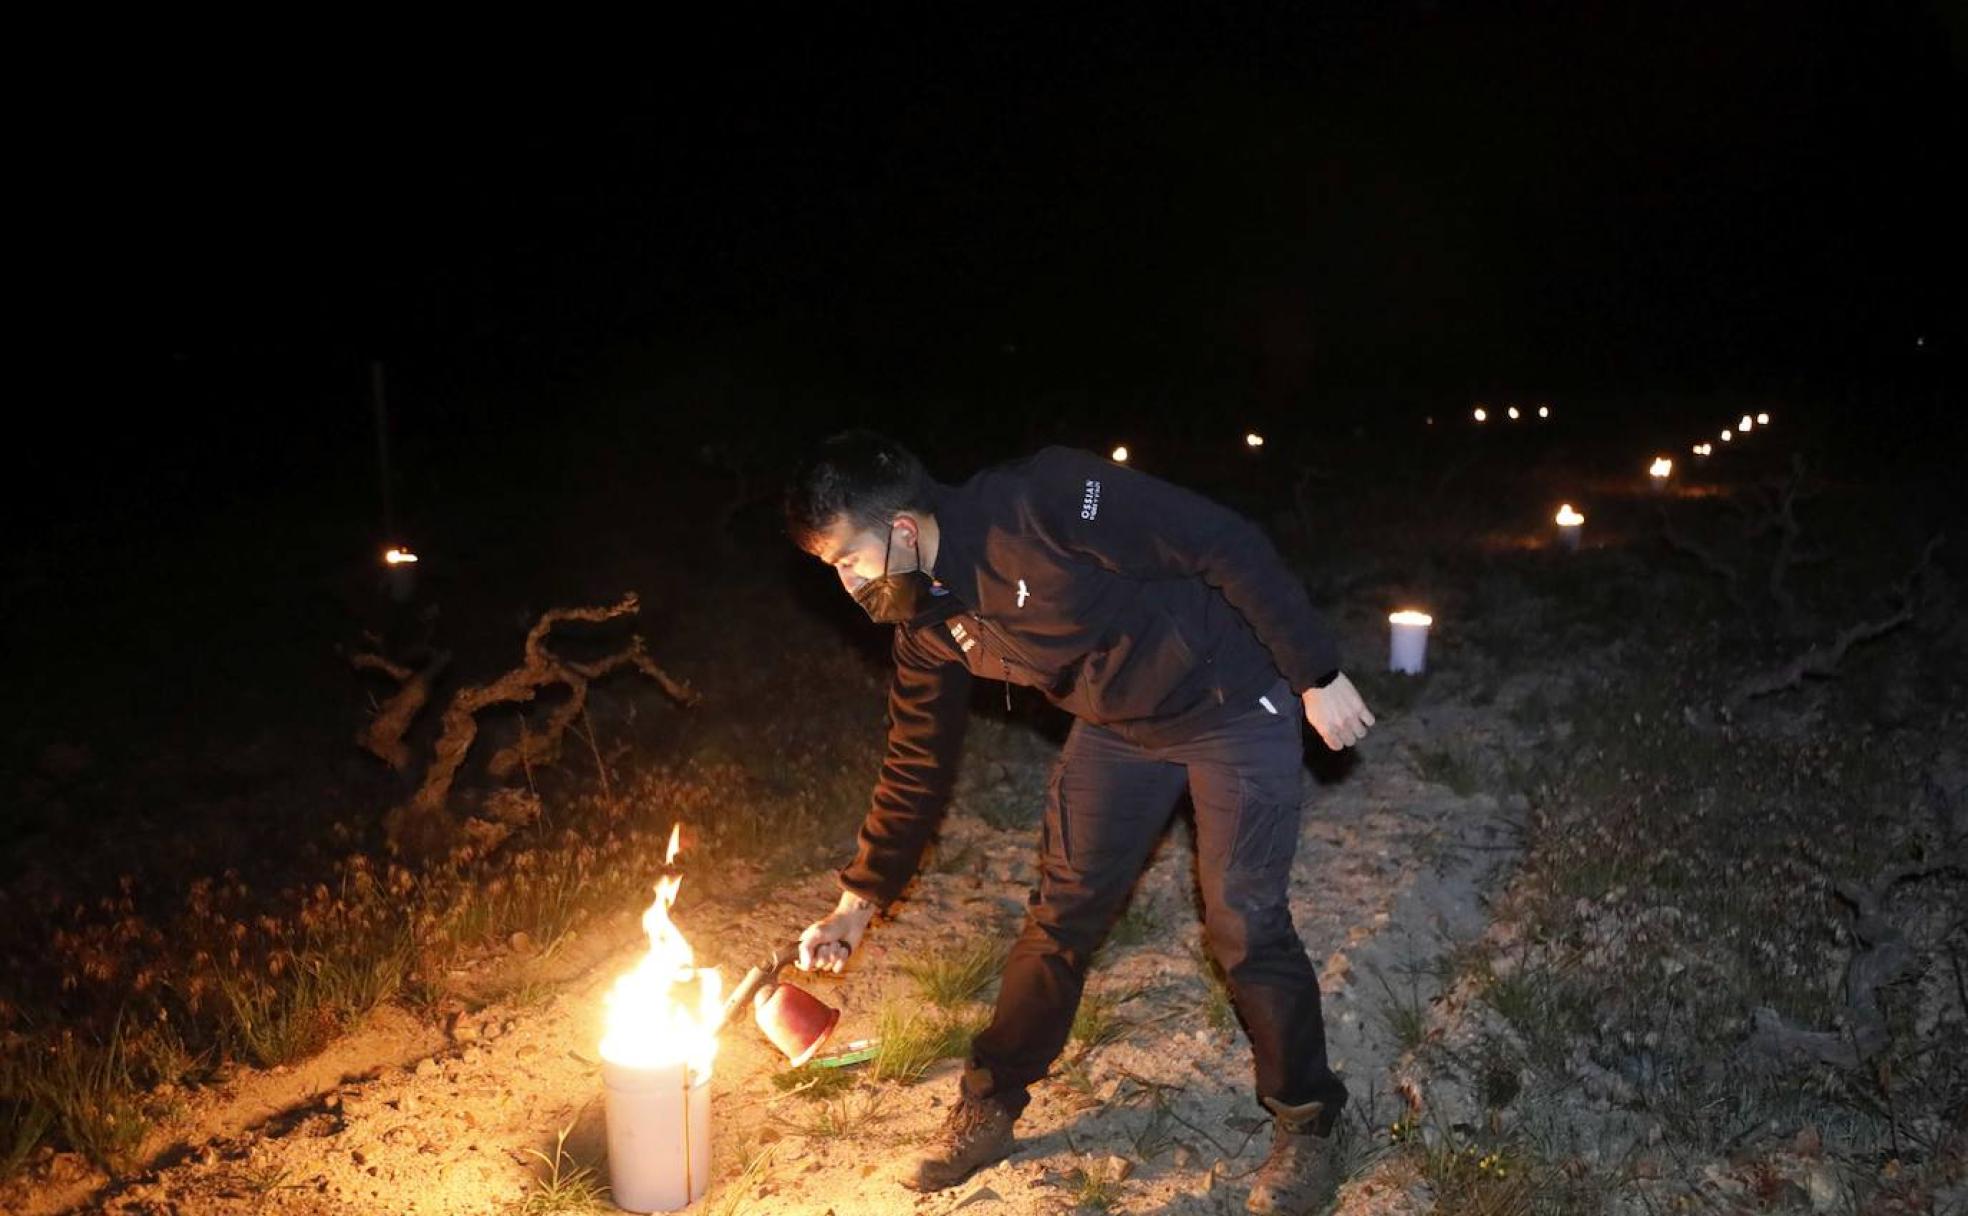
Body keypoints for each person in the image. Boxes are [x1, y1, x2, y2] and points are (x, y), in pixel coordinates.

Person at [783, 431, 1375, 1213]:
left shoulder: (1045, 501)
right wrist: (858, 900)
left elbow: (1222, 541)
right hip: (1119, 728)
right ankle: (990, 1102)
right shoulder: (926, 622)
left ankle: (1307, 1120)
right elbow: (916, 759)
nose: (849, 582)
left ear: (898, 528)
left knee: (1244, 918)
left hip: (1230, 700)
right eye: (833, 569)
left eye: (848, 560)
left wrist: (1315, 673)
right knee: (1060, 913)